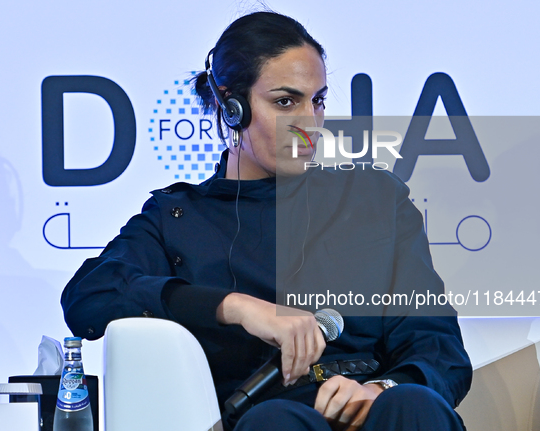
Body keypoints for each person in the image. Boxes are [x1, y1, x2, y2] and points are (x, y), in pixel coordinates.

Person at [61, 11, 472, 431]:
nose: (310, 124)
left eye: (319, 100)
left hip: (382, 411)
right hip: (267, 412)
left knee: (413, 405)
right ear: (232, 106)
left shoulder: (376, 199)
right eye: (285, 102)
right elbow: (88, 297)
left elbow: (438, 348)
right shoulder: (179, 217)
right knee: (275, 422)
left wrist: (380, 389)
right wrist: (236, 307)